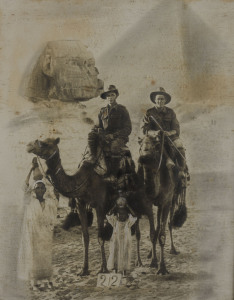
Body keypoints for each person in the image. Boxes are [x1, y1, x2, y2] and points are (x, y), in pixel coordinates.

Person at [17, 159, 58, 290]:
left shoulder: (49, 202)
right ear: (33, 190)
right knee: (34, 256)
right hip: (33, 232)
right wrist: (30, 169)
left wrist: (45, 177)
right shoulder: (29, 201)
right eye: (37, 188)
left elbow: (55, 198)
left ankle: (49, 280)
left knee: (46, 255)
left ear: (44, 189)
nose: (40, 189)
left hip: (45, 232)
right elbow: (24, 187)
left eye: (42, 187)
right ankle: (34, 282)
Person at [87, 85, 132, 179]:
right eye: (108, 96)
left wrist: (114, 135)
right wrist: (95, 129)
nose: (110, 97)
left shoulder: (122, 110)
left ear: (116, 96)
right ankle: (92, 157)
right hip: (105, 136)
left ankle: (113, 173)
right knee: (91, 135)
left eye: (112, 95)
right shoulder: (103, 111)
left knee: (114, 147)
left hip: (119, 137)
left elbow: (128, 128)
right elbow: (97, 125)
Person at [142, 87, 188, 177]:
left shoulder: (171, 112)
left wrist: (169, 133)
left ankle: (182, 171)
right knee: (144, 151)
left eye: (162, 99)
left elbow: (176, 128)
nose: (160, 101)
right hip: (155, 138)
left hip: (170, 137)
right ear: (155, 100)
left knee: (179, 145)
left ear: (165, 100)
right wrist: (155, 133)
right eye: (158, 99)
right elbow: (145, 129)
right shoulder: (149, 112)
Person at [106, 193, 137, 276]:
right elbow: (108, 214)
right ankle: (115, 270)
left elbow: (134, 215)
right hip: (116, 237)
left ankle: (124, 271)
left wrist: (128, 206)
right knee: (115, 251)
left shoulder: (128, 223)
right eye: (119, 214)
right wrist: (115, 206)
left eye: (123, 214)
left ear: (127, 215)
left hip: (125, 238)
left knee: (125, 252)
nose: (121, 215)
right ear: (117, 215)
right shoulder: (115, 222)